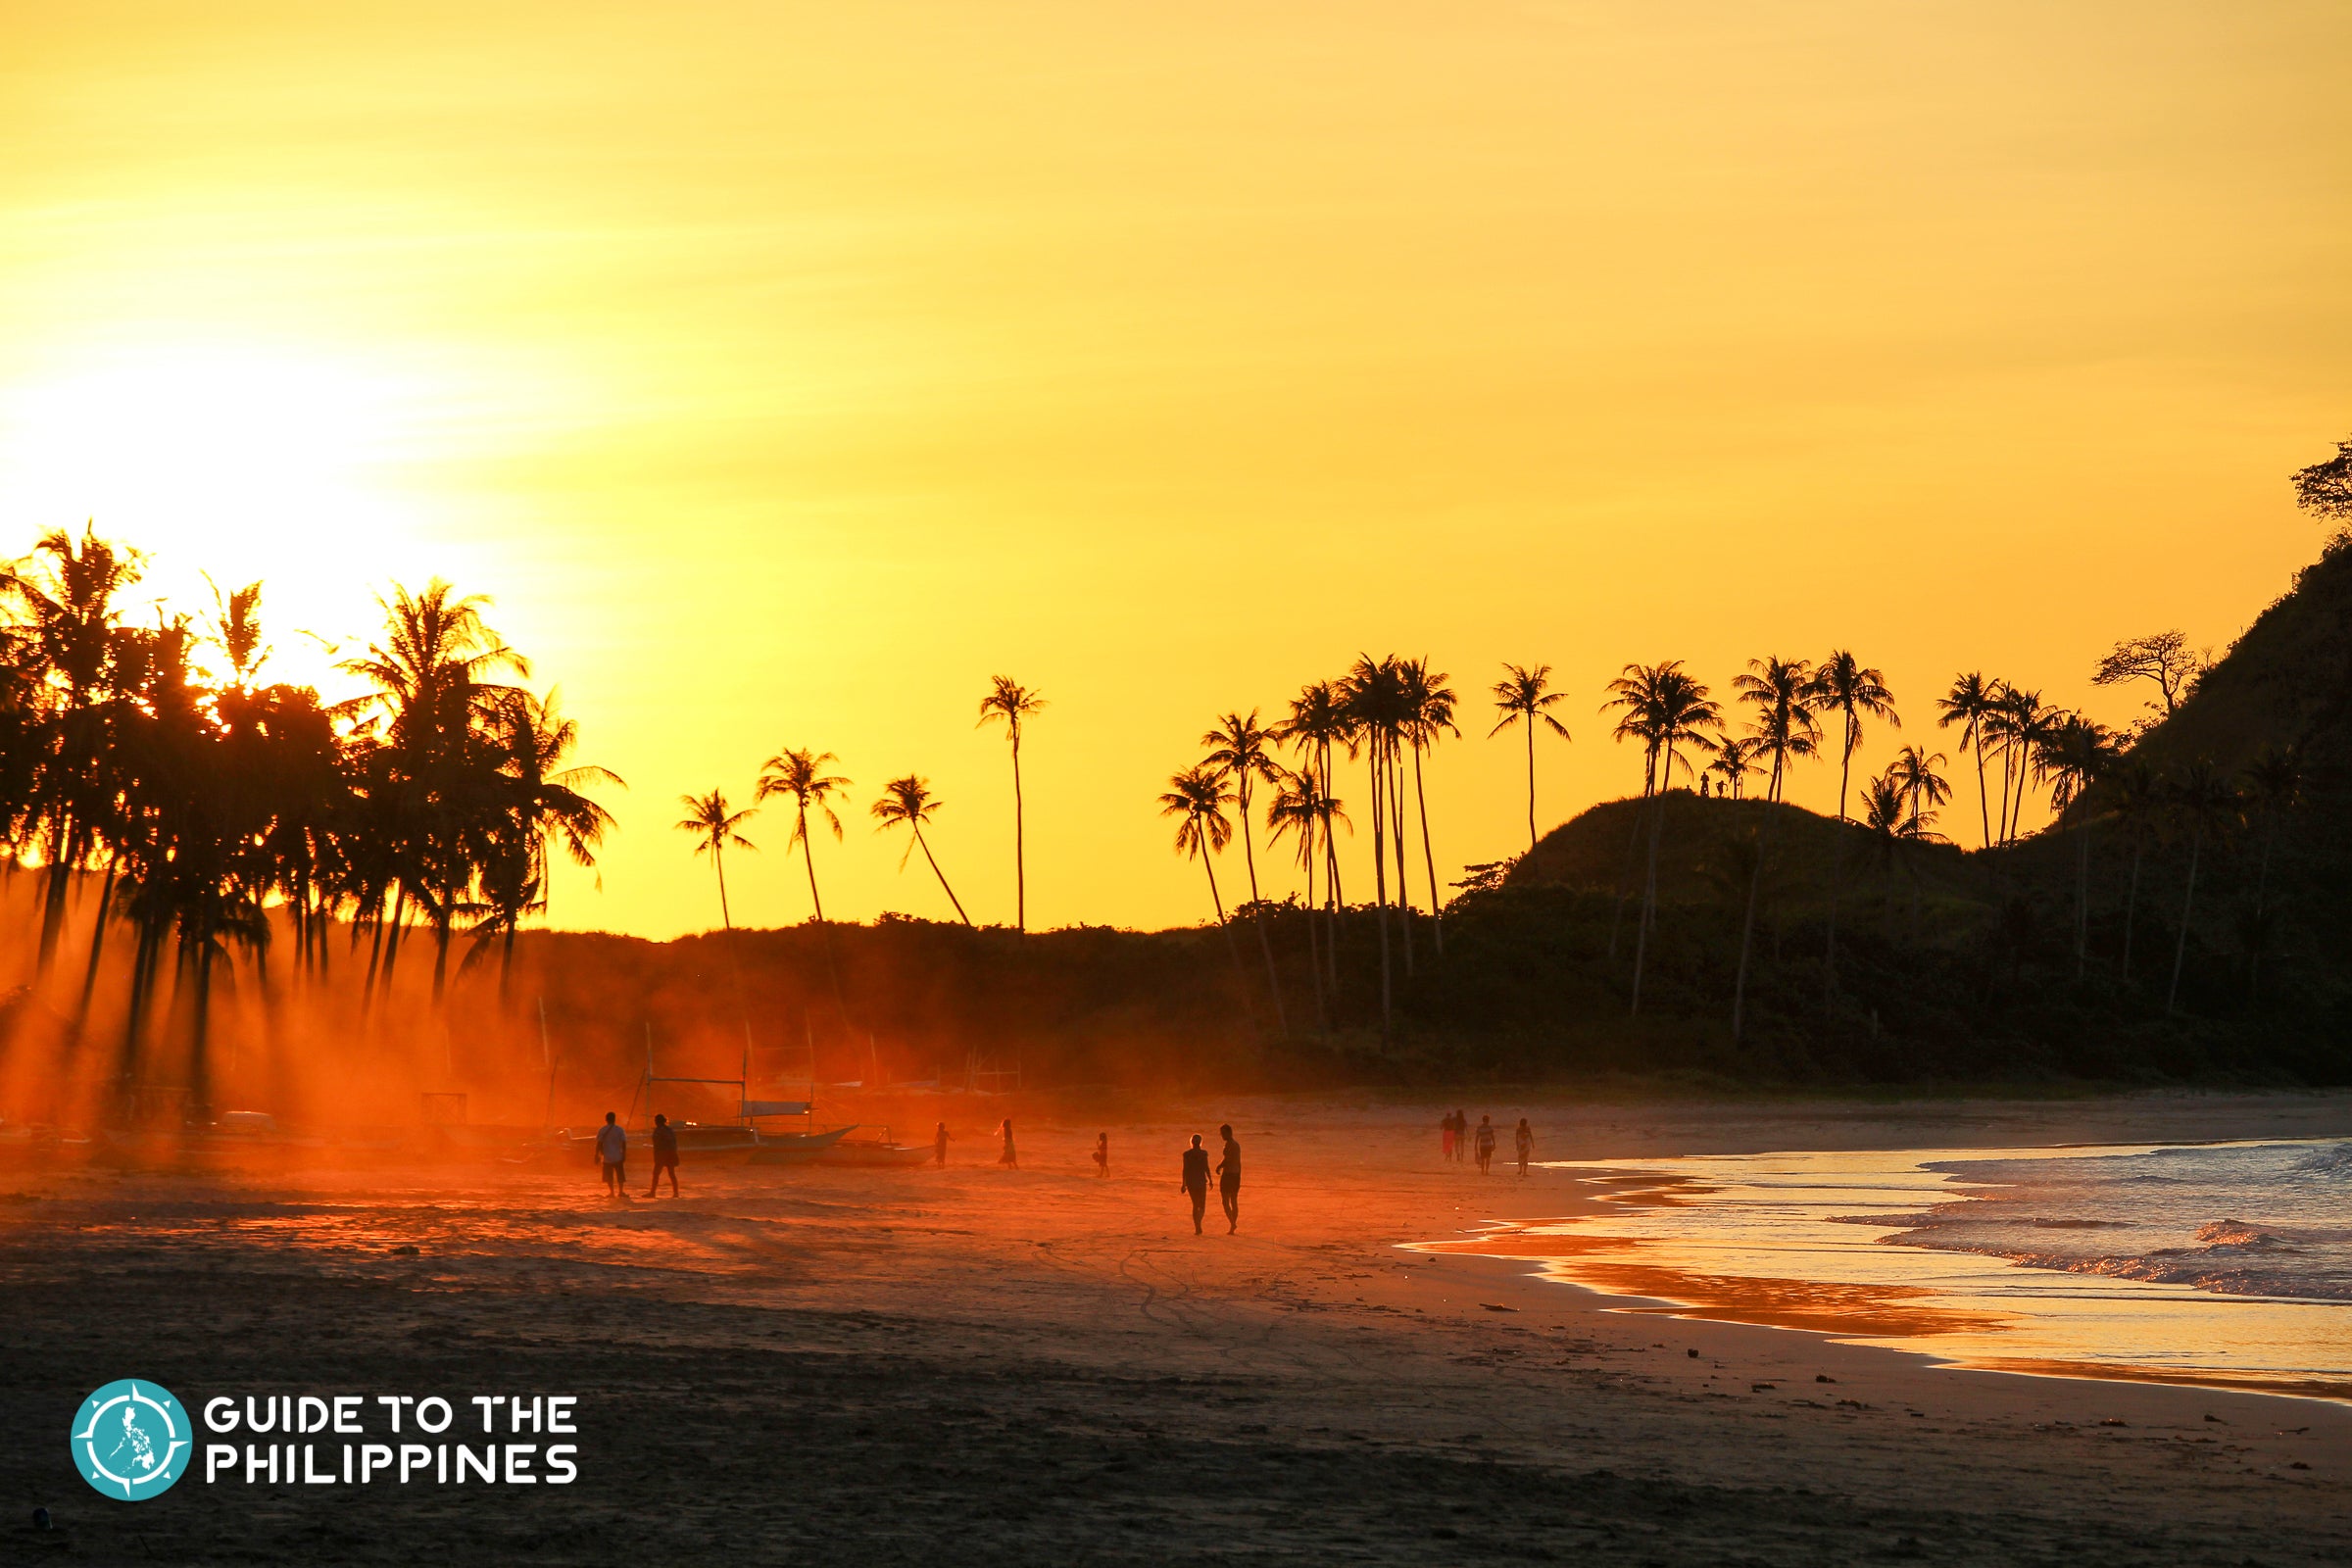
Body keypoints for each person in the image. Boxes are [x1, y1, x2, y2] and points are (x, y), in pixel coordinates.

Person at [1179, 1135, 1210, 1235]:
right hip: (1201, 1182)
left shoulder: (1187, 1154)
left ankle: (1197, 1226)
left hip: (1191, 1182)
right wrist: (1210, 1179)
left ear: (1191, 1142)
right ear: (1200, 1142)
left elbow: (1185, 1169)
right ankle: (1198, 1224)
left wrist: (1183, 1183)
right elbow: (1206, 1167)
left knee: (1195, 1204)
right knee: (1202, 1206)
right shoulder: (1204, 1154)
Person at [1216, 1123, 1242, 1234]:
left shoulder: (1229, 1145)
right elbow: (1237, 1162)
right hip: (1236, 1174)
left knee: (1225, 1201)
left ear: (1228, 1133)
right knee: (1234, 1201)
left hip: (1228, 1175)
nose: (1221, 1135)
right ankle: (1232, 1227)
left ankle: (1232, 1224)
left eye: (1222, 1133)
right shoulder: (1236, 1144)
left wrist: (1219, 1166)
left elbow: (1227, 1159)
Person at [594, 1111, 627, 1197]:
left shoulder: (602, 1130)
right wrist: (624, 1154)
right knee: (620, 1175)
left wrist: (596, 1155)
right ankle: (620, 1192)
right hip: (618, 1156)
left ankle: (612, 1192)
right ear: (614, 1119)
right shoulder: (620, 1130)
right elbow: (623, 1143)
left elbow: (599, 1143)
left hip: (607, 1156)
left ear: (606, 1119)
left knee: (609, 1176)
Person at [647, 1113, 680, 1197]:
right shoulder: (669, 1130)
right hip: (670, 1154)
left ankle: (653, 1192)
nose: (655, 1122)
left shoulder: (658, 1130)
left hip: (662, 1154)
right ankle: (676, 1193)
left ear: (658, 1121)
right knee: (671, 1174)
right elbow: (673, 1143)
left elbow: (658, 1144)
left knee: (656, 1173)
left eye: (655, 1120)